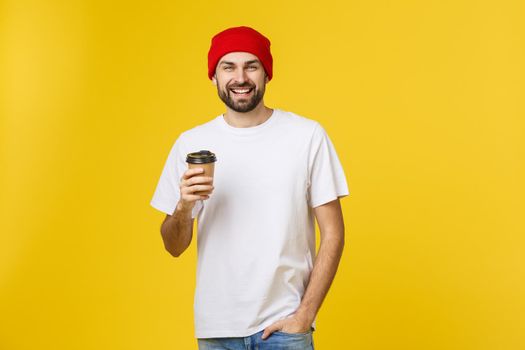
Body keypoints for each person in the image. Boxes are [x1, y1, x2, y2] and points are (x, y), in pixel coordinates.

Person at [150, 26, 350, 350]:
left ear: (266, 74)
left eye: (251, 66)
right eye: (228, 67)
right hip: (217, 330)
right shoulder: (191, 144)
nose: (240, 77)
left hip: (286, 327)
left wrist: (305, 314)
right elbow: (173, 246)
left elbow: (334, 234)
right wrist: (184, 207)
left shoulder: (307, 136)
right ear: (213, 76)